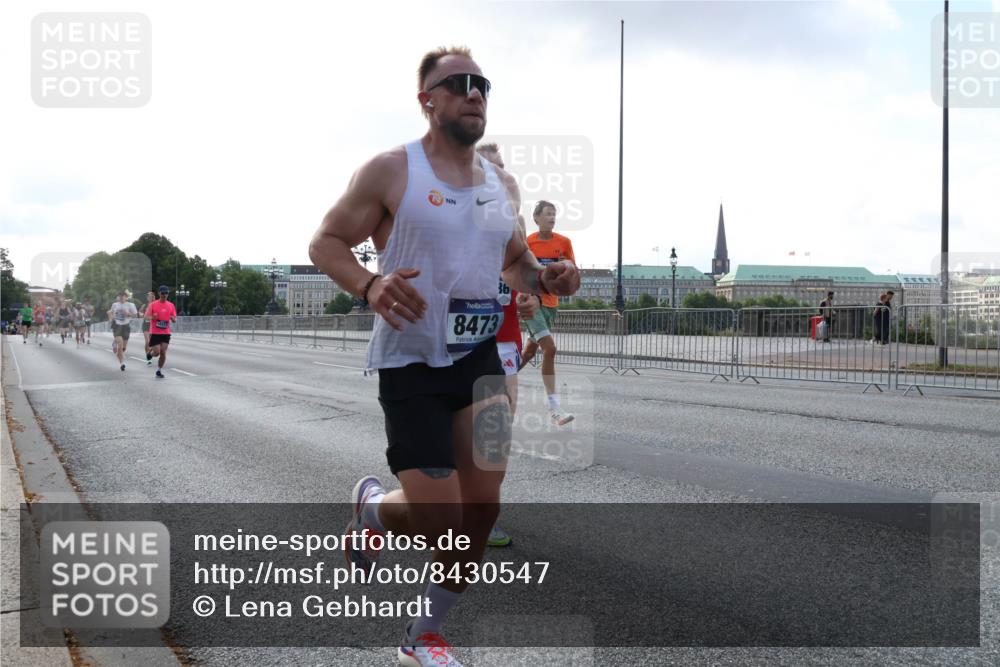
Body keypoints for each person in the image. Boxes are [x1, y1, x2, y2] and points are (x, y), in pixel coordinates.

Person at [309, 46, 579, 667]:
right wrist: (371, 285)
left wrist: (550, 277)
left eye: (480, 84)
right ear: (427, 100)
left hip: (479, 361)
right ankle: (375, 509)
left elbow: (514, 262)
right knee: (442, 519)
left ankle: (422, 636)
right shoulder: (390, 171)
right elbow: (325, 242)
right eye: (456, 84)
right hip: (411, 363)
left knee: (481, 510)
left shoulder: (496, 185)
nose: (473, 93)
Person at [477, 142, 541, 548]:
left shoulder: (514, 222)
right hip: (459, 342)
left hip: (504, 341)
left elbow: (526, 277)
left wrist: (530, 296)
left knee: (497, 432)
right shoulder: (453, 215)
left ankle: (485, 517)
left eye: (504, 168)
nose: (501, 175)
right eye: (491, 167)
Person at [519, 200, 576, 425]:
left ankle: (499, 381)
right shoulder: (527, 242)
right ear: (536, 218)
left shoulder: (564, 242)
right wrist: (524, 295)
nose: (552, 218)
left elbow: (572, 271)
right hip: (532, 302)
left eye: (554, 214)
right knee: (550, 348)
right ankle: (555, 409)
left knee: (528, 354)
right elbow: (519, 271)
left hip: (552, 304)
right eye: (548, 214)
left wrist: (566, 270)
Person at [146, 286, 177, 378]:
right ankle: (150, 353)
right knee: (157, 352)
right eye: (163, 293)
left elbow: (175, 319)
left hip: (166, 333)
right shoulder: (153, 304)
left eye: (166, 293)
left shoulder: (171, 305)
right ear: (159, 293)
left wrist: (172, 318)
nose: (164, 295)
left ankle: (159, 370)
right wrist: (153, 317)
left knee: (163, 351)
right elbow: (147, 317)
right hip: (155, 332)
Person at [108, 291, 138, 371]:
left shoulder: (131, 305)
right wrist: (111, 318)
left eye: (123, 296)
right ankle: (122, 363)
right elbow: (110, 312)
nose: (121, 297)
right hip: (117, 326)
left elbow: (135, 315)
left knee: (123, 348)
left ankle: (115, 342)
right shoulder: (115, 305)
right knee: (120, 347)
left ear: (126, 297)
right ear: (118, 297)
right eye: (120, 296)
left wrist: (128, 314)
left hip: (126, 326)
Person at [141, 291, 156, 364]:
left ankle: (149, 353)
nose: (151, 298)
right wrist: (142, 314)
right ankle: (148, 356)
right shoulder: (144, 306)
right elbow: (140, 313)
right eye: (150, 296)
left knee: (153, 342)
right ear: (147, 298)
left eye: (153, 296)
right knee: (147, 341)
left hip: (153, 326)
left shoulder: (156, 305)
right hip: (146, 325)